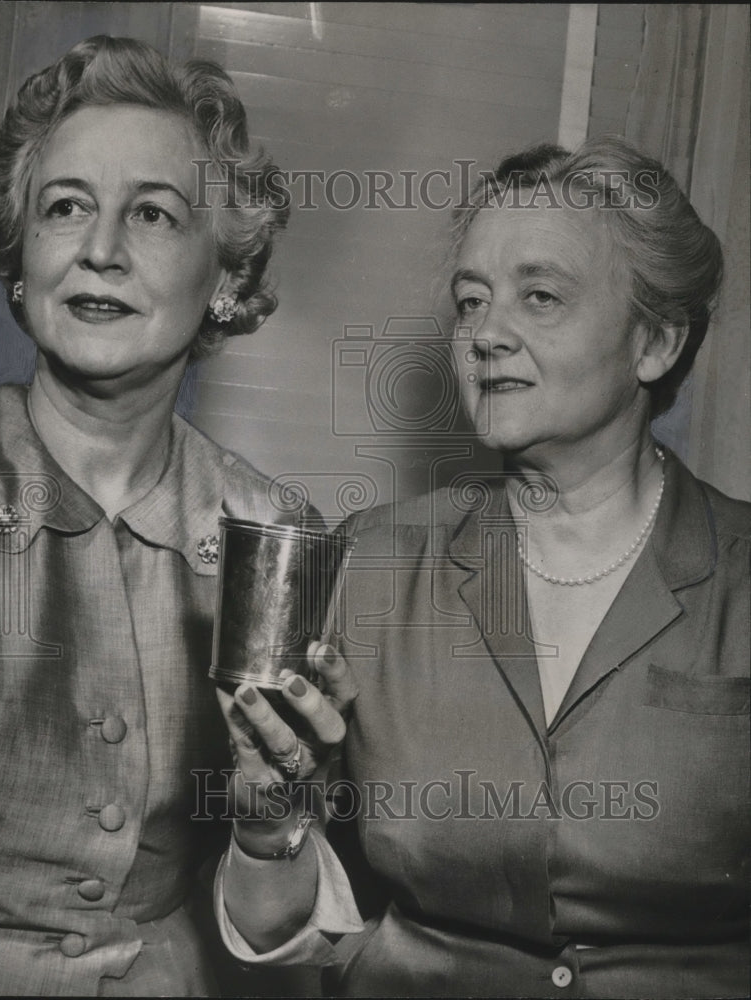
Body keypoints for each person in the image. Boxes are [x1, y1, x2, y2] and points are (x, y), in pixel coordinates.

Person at [213, 136, 750, 998]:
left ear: (653, 343)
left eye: (540, 296)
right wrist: (269, 820)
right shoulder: (372, 565)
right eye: (471, 301)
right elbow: (283, 929)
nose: (486, 335)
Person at [0, 35, 295, 996]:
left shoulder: (268, 532)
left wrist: (270, 828)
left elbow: (277, 930)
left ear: (226, 277)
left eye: (153, 213)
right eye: (66, 207)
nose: (100, 250)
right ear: (21, 256)